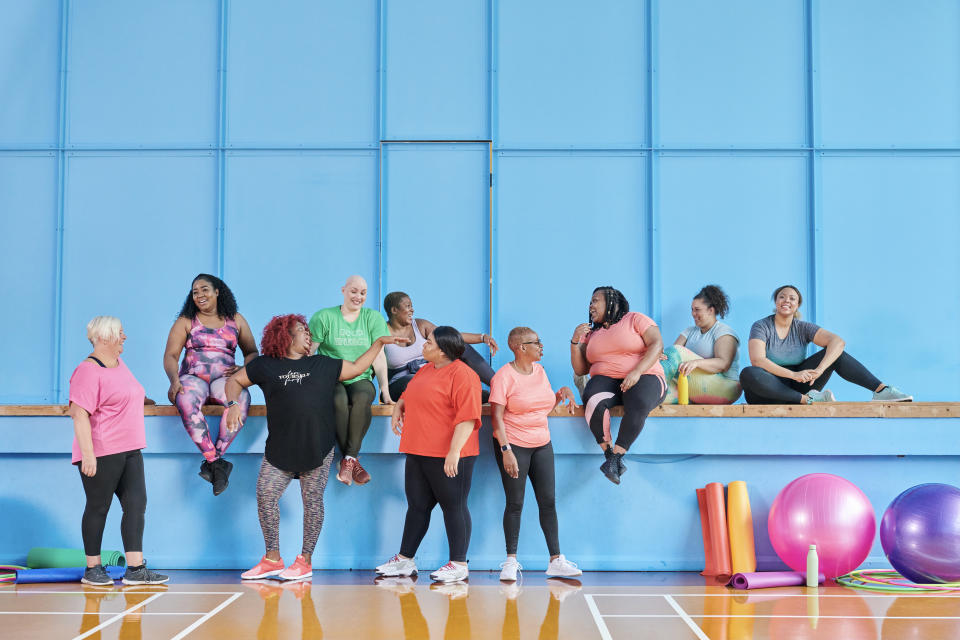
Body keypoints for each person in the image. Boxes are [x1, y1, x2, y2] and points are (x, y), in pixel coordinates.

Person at [225, 314, 407, 581]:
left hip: (318, 448)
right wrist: (232, 405)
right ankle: (272, 559)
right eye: (301, 330)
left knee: (312, 504)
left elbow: (357, 367)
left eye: (308, 330)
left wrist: (379, 342)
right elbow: (234, 382)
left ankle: (305, 561)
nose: (308, 334)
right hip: (279, 450)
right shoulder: (265, 365)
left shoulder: (322, 364)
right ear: (285, 336)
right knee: (265, 496)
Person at [375, 327, 482, 584]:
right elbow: (410, 394)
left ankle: (458, 563)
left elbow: (467, 418)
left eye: (429, 342)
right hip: (418, 450)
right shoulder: (424, 370)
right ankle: (405, 560)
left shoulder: (464, 375)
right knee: (417, 507)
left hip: (450, 453)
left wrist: (454, 452)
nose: (423, 344)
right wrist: (400, 405)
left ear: (443, 350)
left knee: (453, 506)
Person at [69, 316, 168, 586]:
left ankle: (136, 569)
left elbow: (124, 393)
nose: (124, 337)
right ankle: (93, 569)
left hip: (130, 448)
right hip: (102, 451)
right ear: (104, 337)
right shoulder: (88, 370)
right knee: (98, 507)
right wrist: (87, 454)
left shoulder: (120, 364)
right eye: (120, 333)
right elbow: (79, 414)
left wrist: (140, 400)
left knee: (136, 505)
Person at [490, 326, 582, 582]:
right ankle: (510, 562)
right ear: (521, 348)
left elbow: (542, 405)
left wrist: (561, 393)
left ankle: (556, 561)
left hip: (542, 444)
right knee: (515, 503)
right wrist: (506, 450)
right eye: (536, 342)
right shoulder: (504, 377)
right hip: (513, 445)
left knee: (548, 502)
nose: (541, 346)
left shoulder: (540, 371)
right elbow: (496, 418)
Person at [163, 273, 258, 495]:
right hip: (192, 377)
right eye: (195, 292)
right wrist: (174, 380)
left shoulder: (236, 319)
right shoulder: (186, 321)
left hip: (223, 379)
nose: (199, 295)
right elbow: (170, 355)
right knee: (185, 398)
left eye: (204, 289)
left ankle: (215, 460)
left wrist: (244, 370)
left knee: (242, 399)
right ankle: (216, 462)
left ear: (217, 291)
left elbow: (252, 352)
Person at [740, 285, 912, 404]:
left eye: (792, 298)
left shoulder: (803, 327)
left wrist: (820, 369)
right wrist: (794, 375)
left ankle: (881, 391)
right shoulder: (761, 326)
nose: (786, 300)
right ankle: (808, 400)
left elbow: (837, 342)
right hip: (768, 392)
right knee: (749, 373)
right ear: (776, 302)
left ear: (797, 305)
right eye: (782, 297)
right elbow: (758, 360)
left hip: (800, 387)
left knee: (836, 354)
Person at [570, 286, 666, 485]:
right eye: (590, 302)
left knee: (638, 400)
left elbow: (657, 344)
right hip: (607, 379)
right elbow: (581, 370)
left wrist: (637, 371)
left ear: (611, 302)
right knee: (592, 398)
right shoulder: (591, 334)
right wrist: (574, 342)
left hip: (645, 374)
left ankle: (618, 456)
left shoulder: (635, 319)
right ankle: (610, 456)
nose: (591, 305)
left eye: (595, 300)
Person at [309, 275, 391, 486]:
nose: (358, 296)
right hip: (330, 377)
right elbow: (310, 352)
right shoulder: (324, 317)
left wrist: (385, 391)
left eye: (363, 293)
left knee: (363, 398)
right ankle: (351, 460)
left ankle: (348, 459)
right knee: (338, 402)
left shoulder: (372, 318)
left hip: (361, 376)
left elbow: (379, 356)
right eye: (354, 291)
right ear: (343, 290)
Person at [382, 290, 498, 400]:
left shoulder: (420, 325)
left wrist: (482, 337)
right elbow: (373, 359)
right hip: (401, 383)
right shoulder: (381, 331)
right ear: (394, 310)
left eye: (412, 306)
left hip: (432, 377)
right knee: (418, 381)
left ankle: (499, 386)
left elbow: (449, 336)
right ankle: (471, 395)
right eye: (408, 306)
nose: (412, 310)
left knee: (461, 347)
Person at [661, 285, 742, 404]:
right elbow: (671, 357)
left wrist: (697, 363)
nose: (693, 313)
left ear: (711, 310)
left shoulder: (723, 332)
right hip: (698, 385)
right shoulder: (689, 331)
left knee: (676, 351)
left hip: (725, 387)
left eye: (697, 309)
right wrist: (660, 356)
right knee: (662, 396)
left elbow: (723, 364)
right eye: (692, 309)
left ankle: (651, 386)